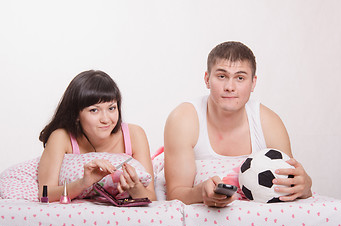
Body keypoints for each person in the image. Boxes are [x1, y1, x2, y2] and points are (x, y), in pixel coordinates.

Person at [164, 41, 312, 207]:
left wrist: (305, 186)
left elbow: (289, 186)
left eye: (240, 78)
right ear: (207, 79)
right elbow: (175, 194)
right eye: (222, 76)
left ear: (253, 83)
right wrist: (199, 193)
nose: (230, 87)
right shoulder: (184, 119)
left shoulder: (269, 123)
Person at [38, 70, 156, 202]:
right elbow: (45, 194)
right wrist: (83, 183)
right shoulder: (61, 137)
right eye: (94, 110)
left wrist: (135, 188)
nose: (106, 119)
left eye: (111, 108)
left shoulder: (134, 134)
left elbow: (152, 197)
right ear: (76, 114)